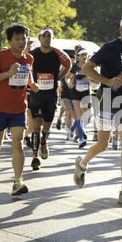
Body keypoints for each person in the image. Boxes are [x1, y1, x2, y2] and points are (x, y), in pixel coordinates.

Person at [73, 14, 122, 205]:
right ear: (121, 29)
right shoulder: (110, 48)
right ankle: (82, 164)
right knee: (103, 144)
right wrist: (107, 81)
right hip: (106, 100)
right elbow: (88, 68)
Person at [0, 23, 39, 195]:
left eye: (23, 38)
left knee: (18, 143)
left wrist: (32, 84)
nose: (21, 42)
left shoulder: (28, 58)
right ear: (9, 41)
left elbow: (27, 75)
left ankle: (17, 182)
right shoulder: (1, 56)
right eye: (17, 39)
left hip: (19, 107)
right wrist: (9, 73)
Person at [28, 26, 72, 170]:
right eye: (44, 36)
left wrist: (59, 78)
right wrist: (31, 83)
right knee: (36, 125)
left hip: (51, 94)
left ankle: (43, 142)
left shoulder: (57, 53)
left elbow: (68, 64)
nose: (46, 38)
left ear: (52, 38)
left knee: (47, 125)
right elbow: (26, 68)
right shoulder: (33, 54)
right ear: (39, 38)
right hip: (37, 93)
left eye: (49, 36)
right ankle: (34, 155)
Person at [69, 47, 91, 148]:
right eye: (82, 55)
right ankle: (81, 138)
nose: (84, 57)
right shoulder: (74, 66)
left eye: (85, 55)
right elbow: (67, 78)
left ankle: (73, 128)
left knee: (87, 117)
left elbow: (97, 81)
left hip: (86, 92)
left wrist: (90, 79)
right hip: (75, 92)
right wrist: (69, 83)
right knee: (79, 114)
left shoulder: (90, 67)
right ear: (78, 57)